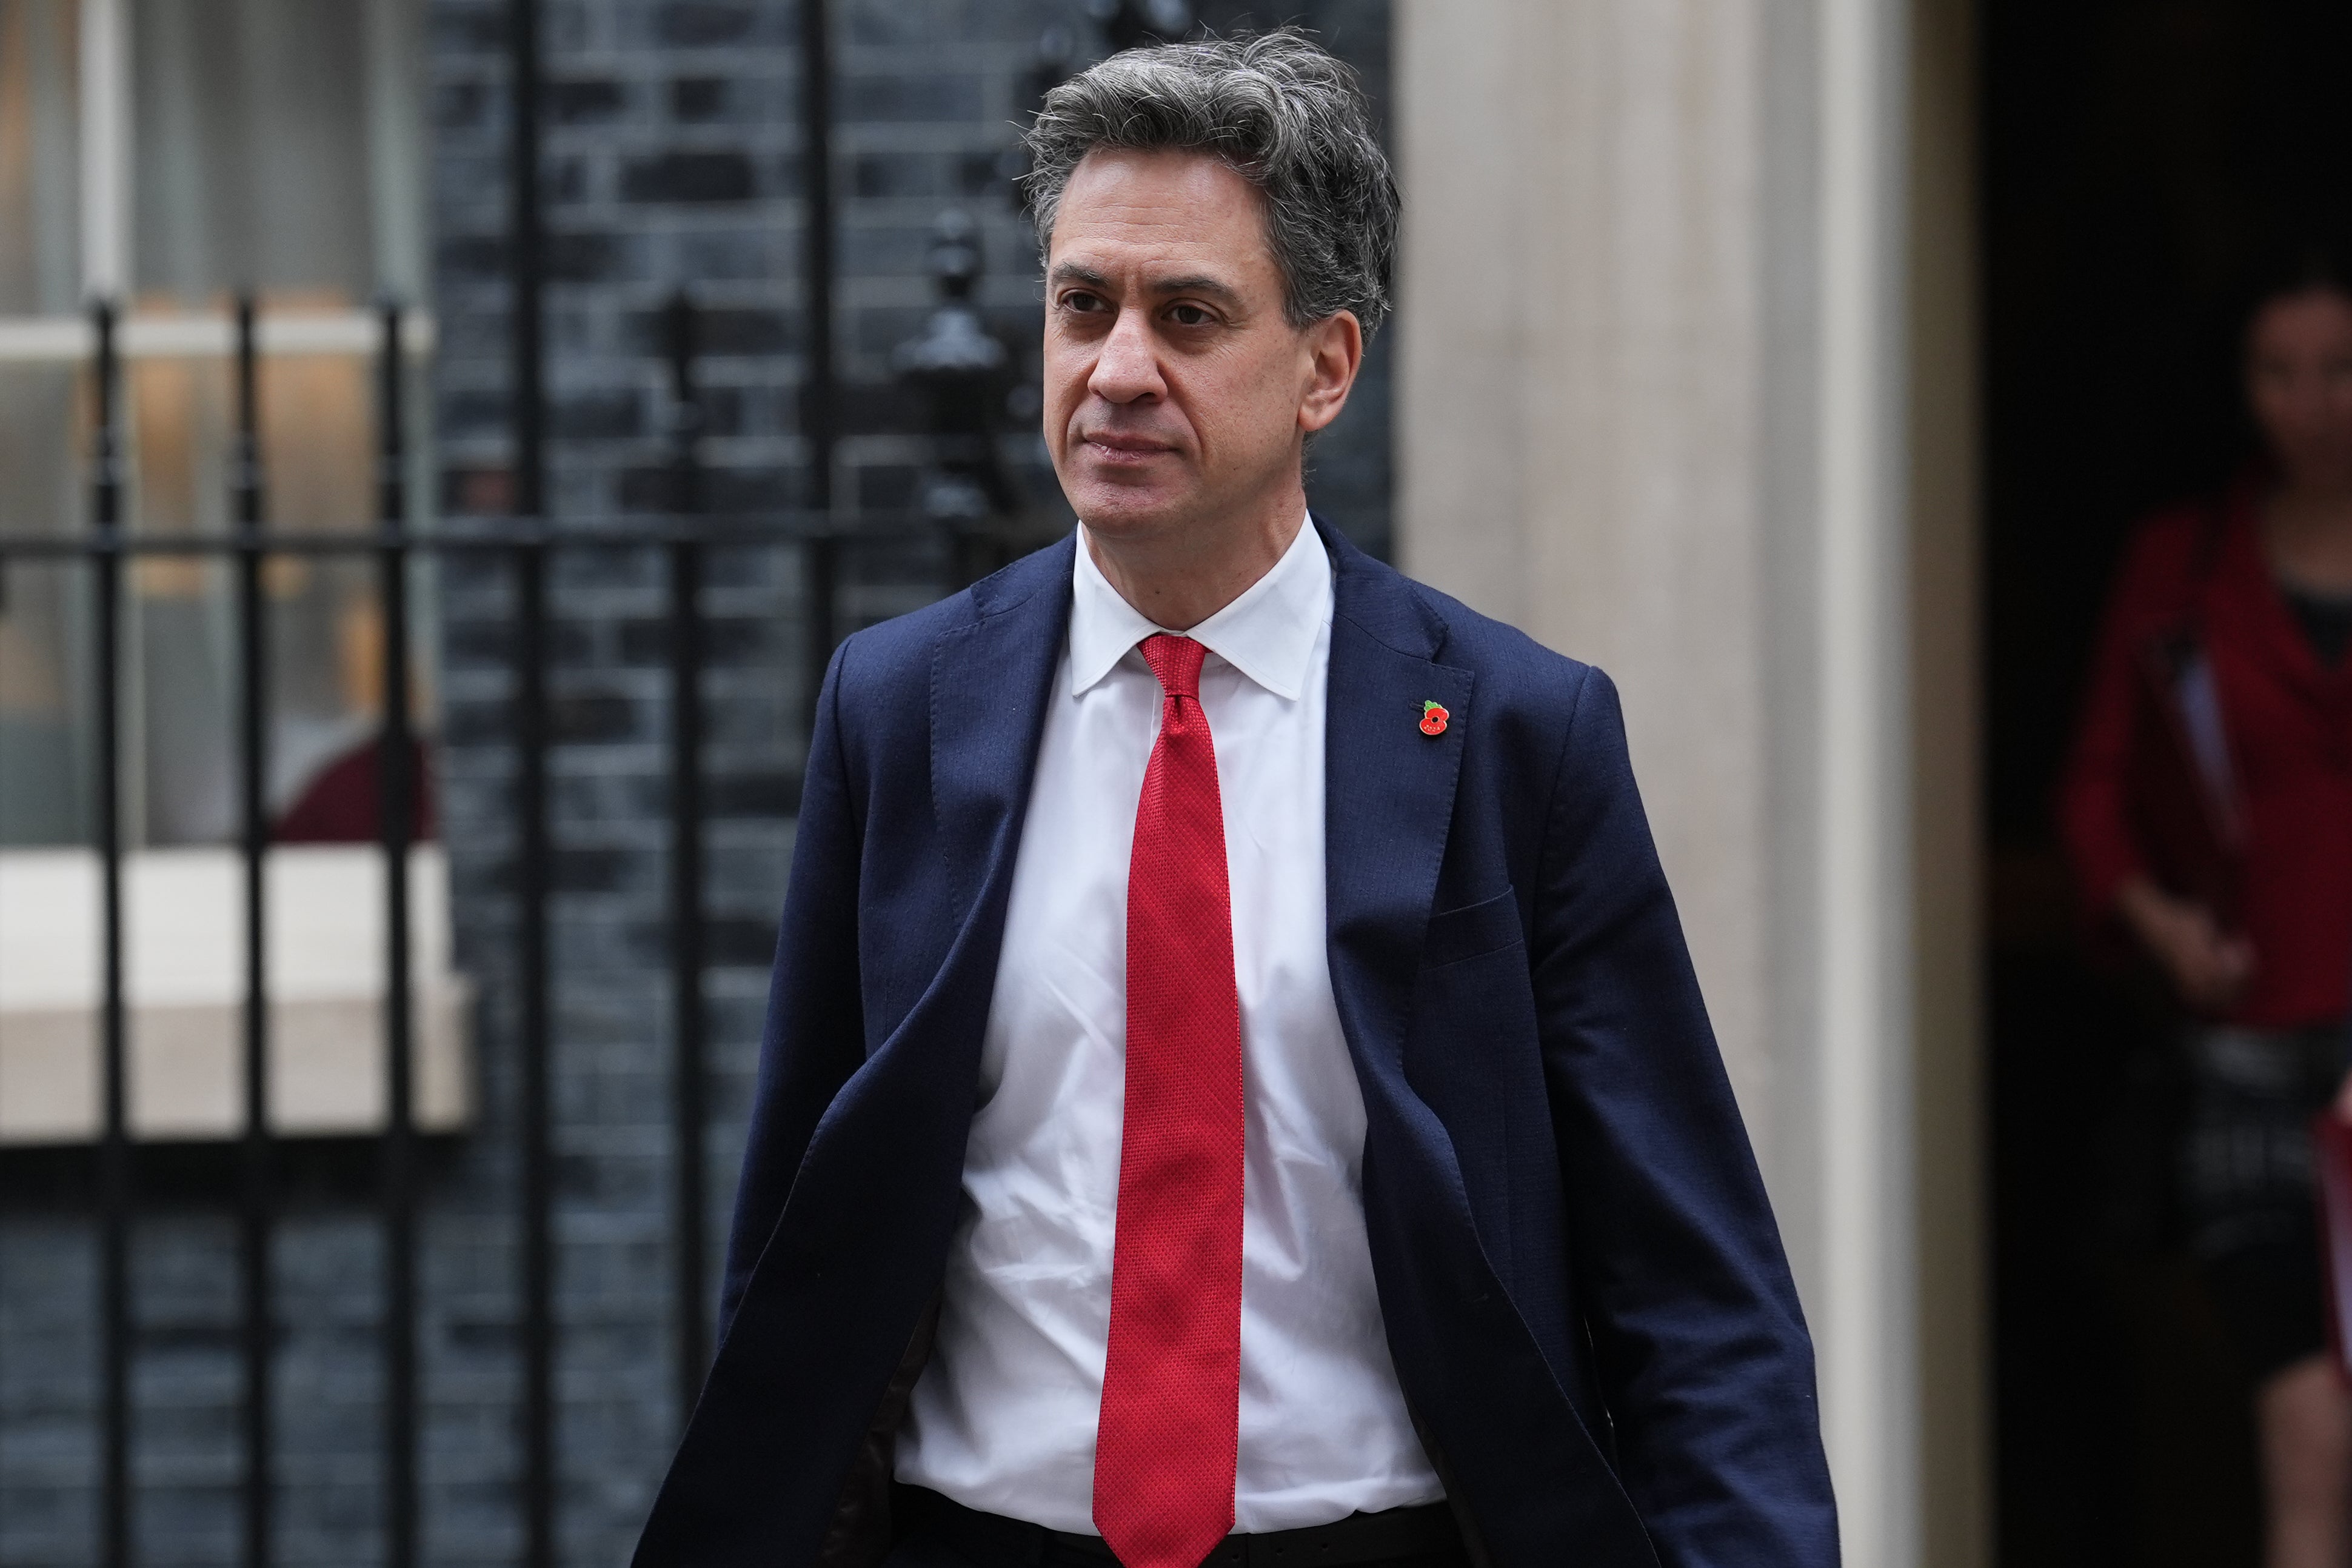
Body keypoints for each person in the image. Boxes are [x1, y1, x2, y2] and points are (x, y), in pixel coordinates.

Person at [636, 31, 1836, 1568]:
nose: (1115, 369)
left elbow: (1689, 1285)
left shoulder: (1518, 733)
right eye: (1083, 306)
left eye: (1187, 317)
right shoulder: (899, 707)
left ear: (1324, 365)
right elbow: (802, 1239)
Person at [2060, 244, 2352, 1568]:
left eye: (2338, 369)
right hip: (2244, 1058)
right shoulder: (2179, 568)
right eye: (2278, 373)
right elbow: (2094, 789)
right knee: (2303, 1428)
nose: (2310, 402)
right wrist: (2161, 923)